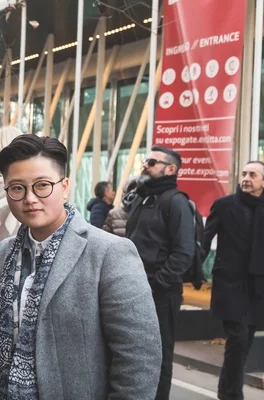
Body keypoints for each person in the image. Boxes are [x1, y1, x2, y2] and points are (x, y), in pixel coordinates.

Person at [0, 135, 162, 400]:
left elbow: (138, 357)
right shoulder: (4, 253)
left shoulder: (109, 253)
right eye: (17, 188)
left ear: (65, 186)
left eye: (42, 185)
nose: (30, 198)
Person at [125, 146, 195, 400]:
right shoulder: (144, 198)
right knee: (134, 352)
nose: (145, 165)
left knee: (160, 356)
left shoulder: (176, 201)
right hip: (135, 289)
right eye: (145, 161)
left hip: (161, 293)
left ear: (170, 169)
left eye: (152, 162)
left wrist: (156, 284)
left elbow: (184, 252)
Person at [202, 161, 264, 400]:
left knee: (245, 341)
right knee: (238, 338)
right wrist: (195, 269)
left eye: (253, 174)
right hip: (230, 284)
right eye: (244, 173)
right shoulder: (225, 205)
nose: (246, 178)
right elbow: (205, 239)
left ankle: (224, 388)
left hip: (257, 286)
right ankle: (232, 394)